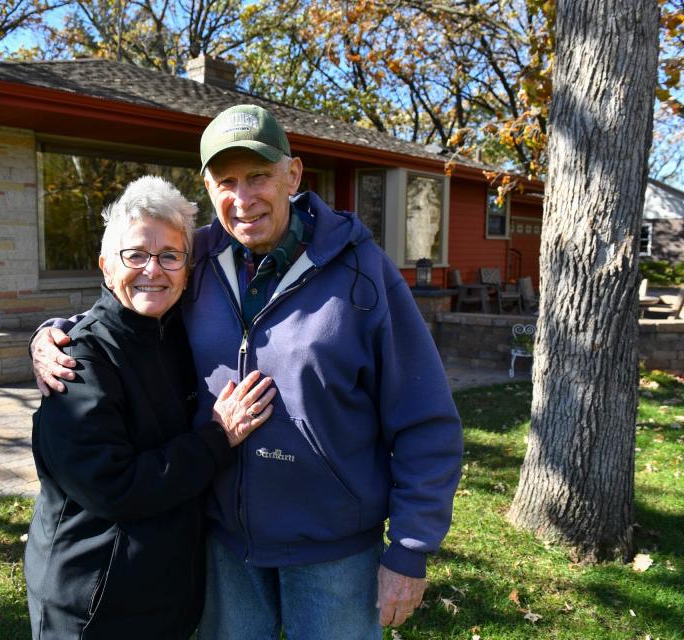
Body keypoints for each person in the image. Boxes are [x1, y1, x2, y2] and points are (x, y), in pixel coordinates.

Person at [31, 105, 464, 639]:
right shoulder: (200, 257)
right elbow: (135, 294)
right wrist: (54, 333)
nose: (244, 198)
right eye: (226, 181)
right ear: (209, 189)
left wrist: (411, 549)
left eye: (258, 175)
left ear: (293, 175)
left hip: (333, 554)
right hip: (223, 548)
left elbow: (425, 418)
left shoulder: (363, 273)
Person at [24, 175, 277, 640]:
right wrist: (219, 437)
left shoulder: (177, 333)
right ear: (105, 266)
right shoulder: (76, 363)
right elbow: (114, 488)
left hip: (163, 596)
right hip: (96, 603)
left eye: (169, 256)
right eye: (135, 255)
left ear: (188, 267)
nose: (152, 270)